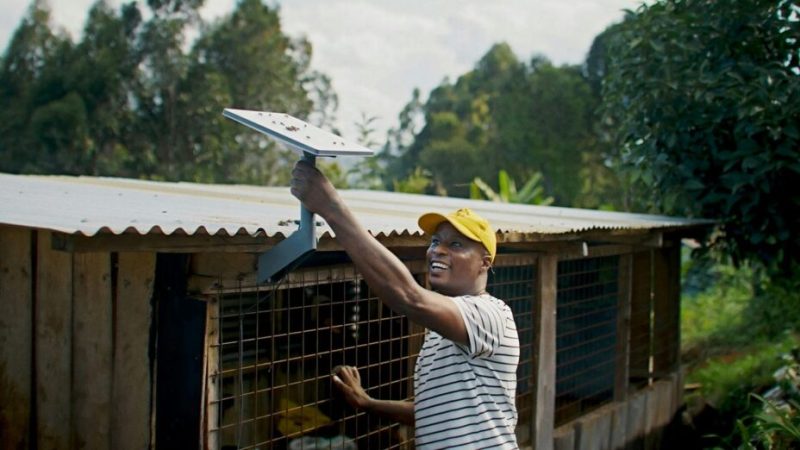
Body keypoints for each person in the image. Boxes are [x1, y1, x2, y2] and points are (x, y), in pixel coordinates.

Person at [290, 160, 520, 449]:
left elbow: (408, 296)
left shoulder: (490, 315)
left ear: (484, 263)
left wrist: (331, 207)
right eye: (436, 241)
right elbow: (430, 413)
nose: (438, 250)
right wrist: (368, 403)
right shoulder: (441, 333)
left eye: (457, 245)